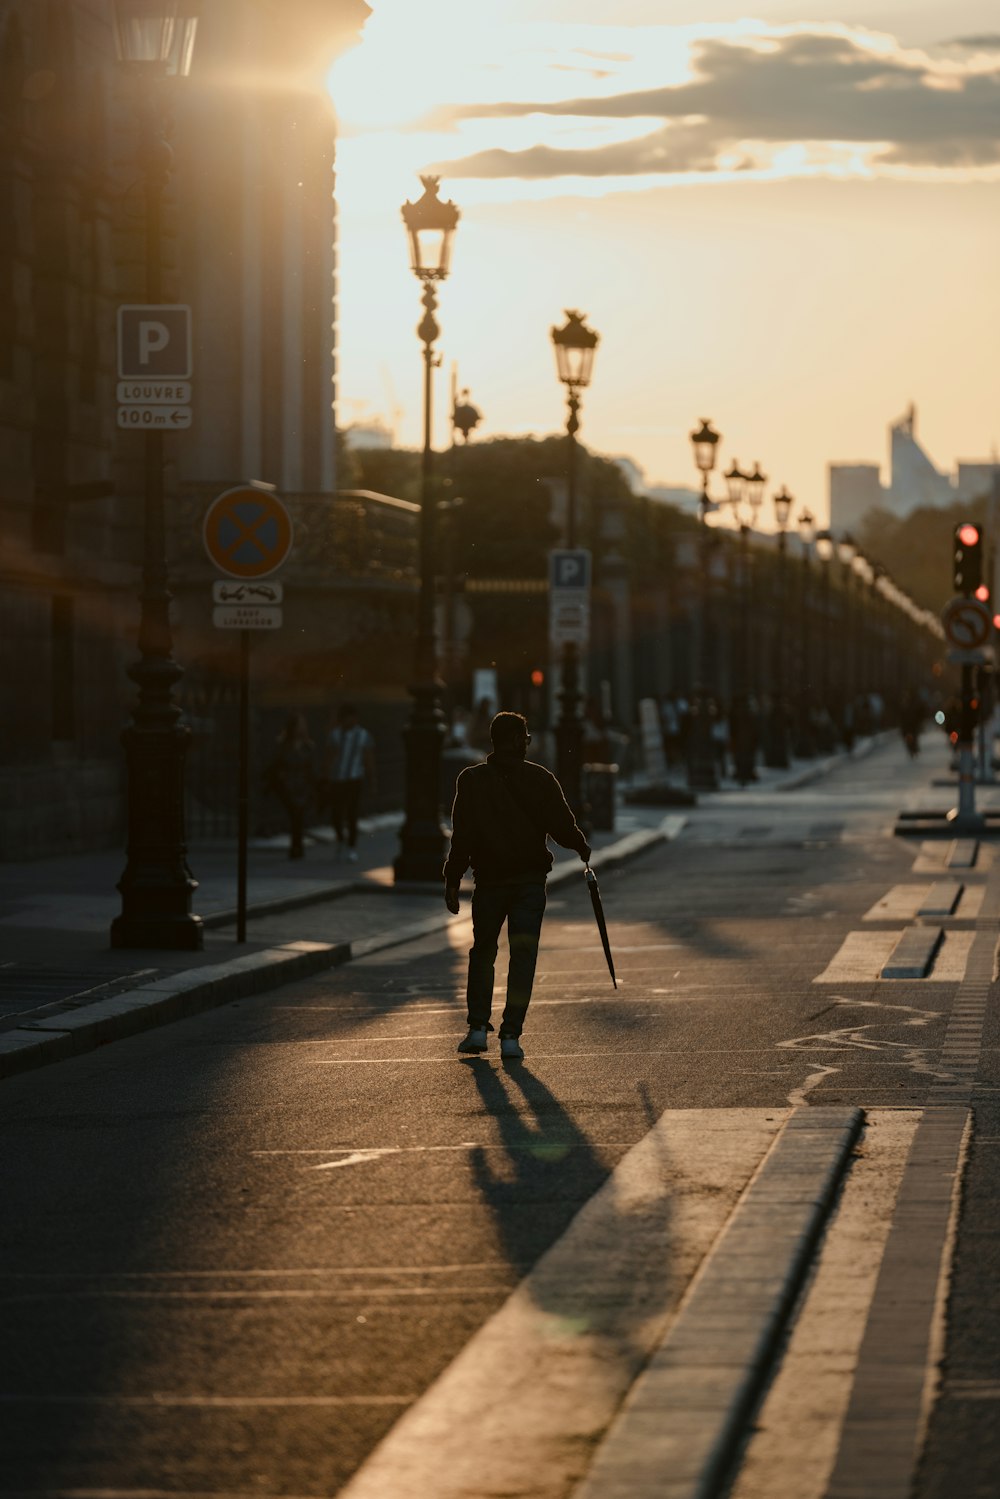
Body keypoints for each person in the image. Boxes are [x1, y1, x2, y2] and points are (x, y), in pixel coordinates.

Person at [443, 711, 591, 1060]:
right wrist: (582, 847)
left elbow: (462, 836)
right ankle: (511, 1035)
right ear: (513, 740)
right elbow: (562, 827)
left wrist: (452, 879)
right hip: (528, 883)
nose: (527, 744)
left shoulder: (472, 781)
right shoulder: (540, 779)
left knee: (483, 953)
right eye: (525, 738)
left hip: (490, 882)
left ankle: (478, 1029)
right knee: (523, 956)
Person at [324, 703, 376, 862]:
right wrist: (326, 775)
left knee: (352, 814)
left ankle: (351, 846)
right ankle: (341, 840)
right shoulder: (335, 735)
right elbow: (329, 757)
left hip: (354, 779)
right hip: (337, 779)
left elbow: (368, 760)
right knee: (336, 814)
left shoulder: (362, 735)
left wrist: (372, 780)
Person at [268, 712, 316, 860]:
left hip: (302, 785)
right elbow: (276, 763)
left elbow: (312, 767)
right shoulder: (283, 745)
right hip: (288, 785)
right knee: (294, 814)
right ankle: (296, 846)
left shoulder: (308, 746)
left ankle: (297, 846)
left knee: (298, 815)